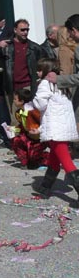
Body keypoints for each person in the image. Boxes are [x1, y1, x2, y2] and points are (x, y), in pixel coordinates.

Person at [33, 58, 79, 200]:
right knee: (54, 156)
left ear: (46, 71)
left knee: (66, 161)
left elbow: (40, 104)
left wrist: (34, 100)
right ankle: (46, 186)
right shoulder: (62, 85)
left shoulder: (44, 84)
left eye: (40, 70)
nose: (37, 72)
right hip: (64, 126)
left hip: (55, 127)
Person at [1, 18, 43, 102]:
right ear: (15, 30)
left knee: (28, 114)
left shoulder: (34, 48)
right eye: (22, 30)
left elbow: (42, 66)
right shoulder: (6, 47)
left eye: (27, 30)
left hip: (28, 87)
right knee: (16, 114)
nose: (25, 32)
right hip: (11, 88)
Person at [7, 87, 48, 169]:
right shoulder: (19, 112)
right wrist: (12, 129)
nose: (14, 101)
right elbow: (23, 127)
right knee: (16, 140)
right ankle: (25, 161)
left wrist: (39, 131)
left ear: (21, 101)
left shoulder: (33, 112)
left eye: (15, 99)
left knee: (34, 159)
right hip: (28, 137)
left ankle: (52, 158)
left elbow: (45, 123)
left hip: (38, 139)